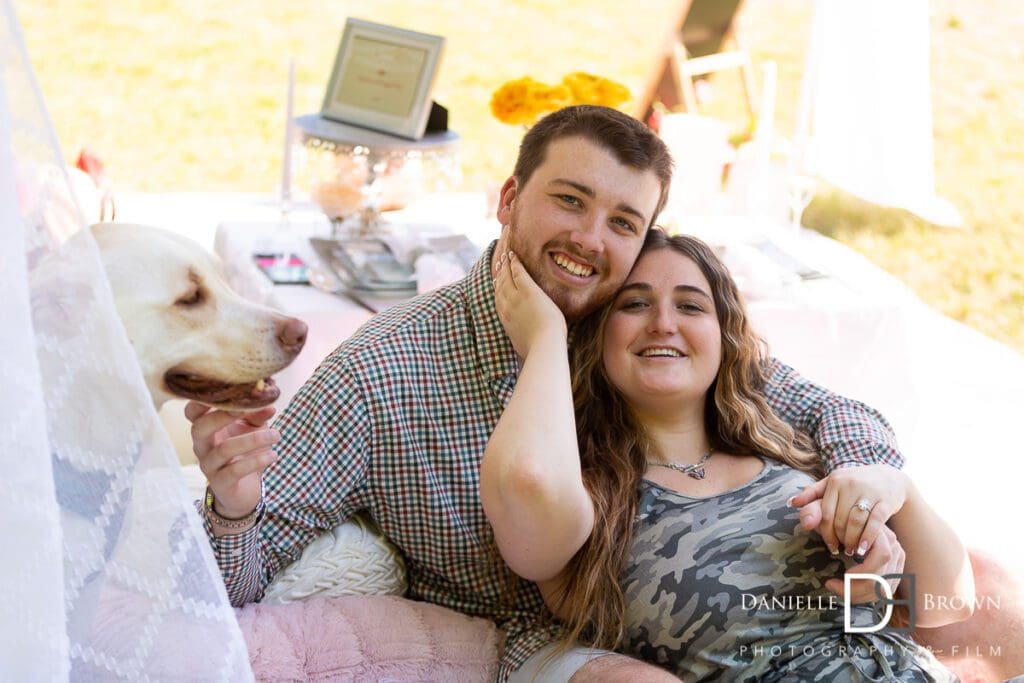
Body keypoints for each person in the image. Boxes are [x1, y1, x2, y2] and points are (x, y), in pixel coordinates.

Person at [187, 105, 906, 682]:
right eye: (570, 201)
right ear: (508, 199)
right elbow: (241, 571)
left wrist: (868, 473)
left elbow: (827, 408)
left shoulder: (638, 322)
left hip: (722, 612)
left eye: (624, 222)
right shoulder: (383, 373)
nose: (591, 240)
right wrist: (233, 504)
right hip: (548, 636)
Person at [482, 230, 974, 680]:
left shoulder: (790, 453)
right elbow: (527, 483)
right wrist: (545, 339)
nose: (663, 324)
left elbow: (948, 601)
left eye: (691, 307)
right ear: (597, 335)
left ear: (724, 337)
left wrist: (898, 494)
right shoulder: (587, 505)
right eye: (634, 304)